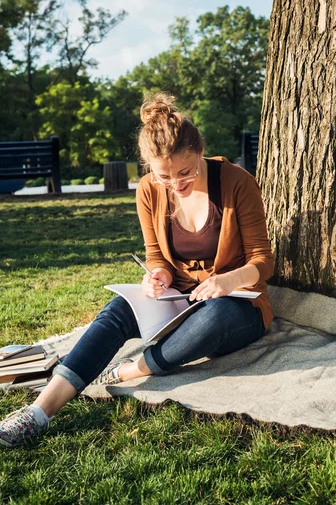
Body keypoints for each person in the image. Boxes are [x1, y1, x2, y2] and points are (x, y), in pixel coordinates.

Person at [0, 93, 274, 448]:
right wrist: (156, 274)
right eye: (165, 177)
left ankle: (130, 370)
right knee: (119, 309)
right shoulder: (148, 190)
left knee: (215, 317)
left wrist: (229, 279)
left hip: (237, 305)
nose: (176, 185)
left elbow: (262, 261)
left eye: (186, 172)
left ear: (201, 150)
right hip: (180, 299)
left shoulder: (237, 182)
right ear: (149, 167)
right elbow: (156, 255)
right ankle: (39, 412)